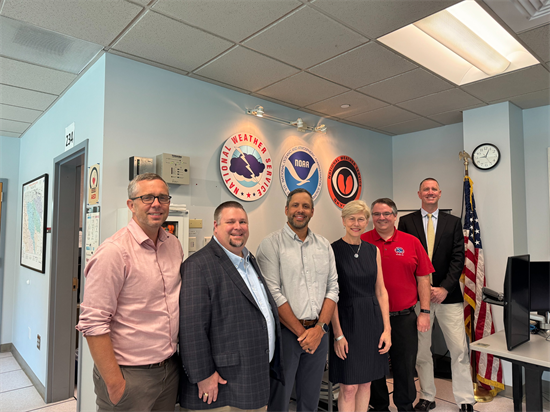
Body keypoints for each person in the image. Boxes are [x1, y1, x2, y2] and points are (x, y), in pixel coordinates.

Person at [77, 173, 183, 412]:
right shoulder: (114, 252)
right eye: (147, 197)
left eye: (163, 197)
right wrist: (115, 384)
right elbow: (93, 324)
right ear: (131, 205)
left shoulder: (174, 245)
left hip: (168, 370)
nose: (156, 203)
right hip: (129, 376)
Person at [179, 201, 284, 411]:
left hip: (253, 376)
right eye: (230, 222)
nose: (238, 227)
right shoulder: (198, 265)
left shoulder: (249, 260)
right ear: (215, 226)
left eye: (243, 221)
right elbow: (192, 328)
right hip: (221, 385)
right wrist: (203, 376)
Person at [256, 188, 339, 412]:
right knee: (280, 399)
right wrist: (303, 334)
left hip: (319, 333)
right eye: (295, 205)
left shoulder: (324, 246)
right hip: (287, 335)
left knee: (310, 399)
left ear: (312, 211)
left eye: (305, 206)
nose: (299, 210)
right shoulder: (271, 244)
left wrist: (320, 328)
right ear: (286, 210)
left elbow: (332, 288)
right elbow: (272, 293)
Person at [398, 178, 475, 412]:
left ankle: (465, 400)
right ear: (419, 193)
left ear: (439, 193)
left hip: (448, 297)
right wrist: (422, 289)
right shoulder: (405, 221)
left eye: (434, 189)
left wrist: (444, 288)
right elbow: (403, 259)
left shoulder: (453, 222)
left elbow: (458, 259)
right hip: (418, 298)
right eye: (426, 189)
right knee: (422, 351)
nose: (430, 193)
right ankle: (427, 396)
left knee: (459, 350)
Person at [361, 198, 433, 412]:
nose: (381, 218)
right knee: (375, 367)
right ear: (371, 217)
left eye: (386, 214)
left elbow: (423, 279)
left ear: (395, 216)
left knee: (404, 366)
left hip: (404, 317)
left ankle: (404, 406)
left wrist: (425, 312)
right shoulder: (362, 241)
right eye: (376, 214)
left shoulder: (411, 242)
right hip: (371, 317)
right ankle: (380, 406)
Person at [329, 200, 391, 412]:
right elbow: (331, 296)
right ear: (344, 220)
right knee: (348, 387)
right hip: (346, 321)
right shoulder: (332, 250)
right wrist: (338, 334)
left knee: (366, 383)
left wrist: (387, 329)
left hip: (371, 321)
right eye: (352, 218)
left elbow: (381, 291)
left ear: (367, 222)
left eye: (361, 219)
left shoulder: (373, 251)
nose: (356, 223)